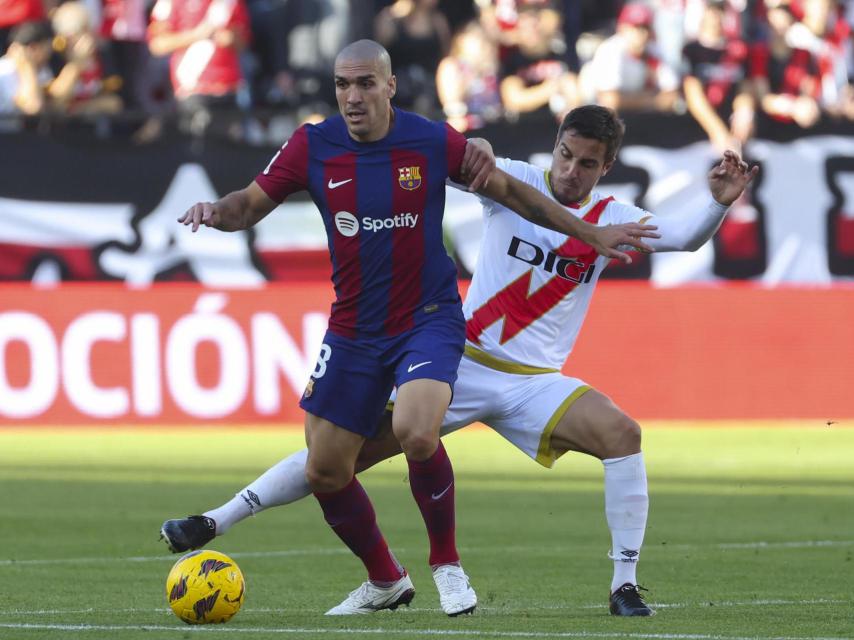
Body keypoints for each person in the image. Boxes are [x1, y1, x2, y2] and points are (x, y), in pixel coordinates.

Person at [164, 103, 756, 617]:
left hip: (531, 383)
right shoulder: (518, 182)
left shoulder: (612, 219)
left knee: (623, 434)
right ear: (555, 147)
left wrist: (716, 205)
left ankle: (624, 585)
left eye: (587, 163)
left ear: (607, 168)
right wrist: (473, 147)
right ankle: (217, 520)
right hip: (458, 360)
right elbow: (441, 166)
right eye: (566, 155)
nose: (571, 171)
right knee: (336, 460)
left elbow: (682, 237)